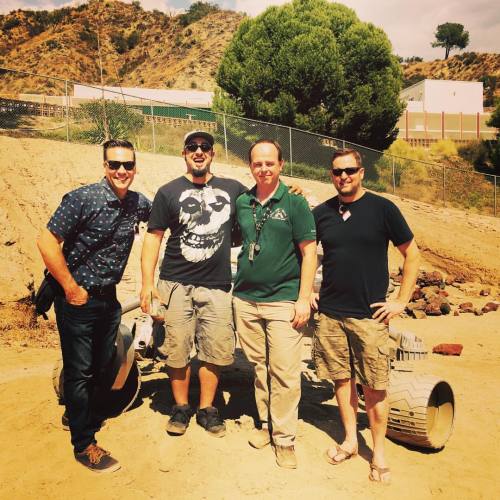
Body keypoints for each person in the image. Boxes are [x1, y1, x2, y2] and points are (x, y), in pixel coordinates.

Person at [36, 139, 151, 473]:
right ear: (104, 166)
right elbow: (47, 242)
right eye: (114, 164)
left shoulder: (138, 204)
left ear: (135, 168)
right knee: (80, 368)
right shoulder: (82, 199)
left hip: (108, 298)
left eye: (127, 165)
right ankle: (84, 444)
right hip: (77, 298)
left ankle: (76, 411)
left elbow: (170, 211)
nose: (121, 171)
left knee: (103, 363)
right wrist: (71, 288)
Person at [311, 148, 420, 484]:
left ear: (361, 172)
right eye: (337, 172)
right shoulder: (322, 213)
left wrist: (401, 300)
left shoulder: (383, 209)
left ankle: (379, 453)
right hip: (330, 315)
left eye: (349, 170)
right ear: (331, 175)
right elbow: (310, 256)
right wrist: (307, 293)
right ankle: (349, 441)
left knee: (374, 388)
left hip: (369, 318)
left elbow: (412, 255)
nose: (343, 176)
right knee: (342, 382)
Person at [140, 130, 247, 438]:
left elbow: (261, 204)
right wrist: (149, 283)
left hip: (216, 285)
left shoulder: (233, 189)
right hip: (175, 282)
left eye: (205, 147)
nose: (198, 151)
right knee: (176, 349)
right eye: (192, 147)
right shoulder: (168, 192)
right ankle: (181, 406)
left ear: (212, 154)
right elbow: (154, 238)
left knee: (215, 349)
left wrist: (291, 189)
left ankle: (207, 408)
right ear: (184, 154)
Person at [232, 139, 317, 469]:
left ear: (281, 165)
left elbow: (309, 252)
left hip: (283, 301)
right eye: (257, 163)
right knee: (260, 368)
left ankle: (284, 439)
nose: (263, 168)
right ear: (250, 167)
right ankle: (267, 425)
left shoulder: (295, 202)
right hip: (246, 300)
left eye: (270, 163)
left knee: (284, 372)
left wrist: (303, 298)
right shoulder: (243, 201)